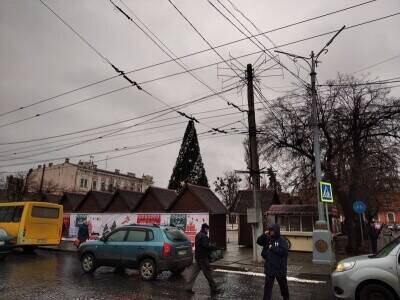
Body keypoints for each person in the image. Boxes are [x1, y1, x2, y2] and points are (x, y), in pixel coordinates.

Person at [184, 223, 221, 294]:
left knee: (194, 273)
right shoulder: (204, 236)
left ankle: (188, 287)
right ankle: (214, 289)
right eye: (207, 229)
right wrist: (213, 247)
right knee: (208, 273)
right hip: (203, 258)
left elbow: (199, 245)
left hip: (197, 257)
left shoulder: (198, 235)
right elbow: (205, 246)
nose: (208, 231)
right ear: (205, 229)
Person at [257, 224, 289, 300]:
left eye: (272, 230)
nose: (271, 232)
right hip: (269, 268)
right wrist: (264, 235)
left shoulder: (281, 240)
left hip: (279, 269)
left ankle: (286, 298)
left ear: (276, 231)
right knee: (267, 288)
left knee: (283, 286)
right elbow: (259, 242)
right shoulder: (268, 238)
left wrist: (273, 248)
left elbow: (284, 252)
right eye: (270, 230)